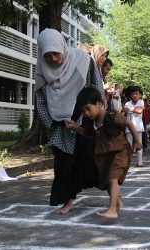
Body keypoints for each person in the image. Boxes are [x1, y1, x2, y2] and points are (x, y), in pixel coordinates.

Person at [34, 28, 102, 214]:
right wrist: (53, 122)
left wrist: (93, 115)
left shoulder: (83, 60)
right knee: (63, 166)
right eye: (48, 55)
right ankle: (67, 201)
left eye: (56, 53)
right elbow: (40, 99)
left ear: (62, 47)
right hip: (60, 125)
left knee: (95, 161)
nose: (54, 59)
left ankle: (114, 196)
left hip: (85, 118)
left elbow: (97, 88)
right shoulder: (41, 70)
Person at [67, 87, 142, 219]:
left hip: (121, 151)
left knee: (113, 178)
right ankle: (117, 202)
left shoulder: (111, 116)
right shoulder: (92, 123)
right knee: (108, 180)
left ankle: (112, 210)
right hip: (106, 155)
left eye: (88, 108)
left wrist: (137, 141)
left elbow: (129, 124)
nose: (86, 113)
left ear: (99, 104)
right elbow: (88, 134)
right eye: (83, 110)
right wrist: (76, 128)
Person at [124, 86, 145, 167]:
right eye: (133, 94)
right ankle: (127, 162)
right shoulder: (127, 103)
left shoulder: (141, 102)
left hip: (139, 127)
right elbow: (125, 110)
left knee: (139, 143)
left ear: (140, 95)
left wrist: (131, 109)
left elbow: (140, 110)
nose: (135, 95)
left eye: (137, 94)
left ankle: (140, 161)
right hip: (129, 127)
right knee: (129, 144)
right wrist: (135, 109)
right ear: (130, 95)